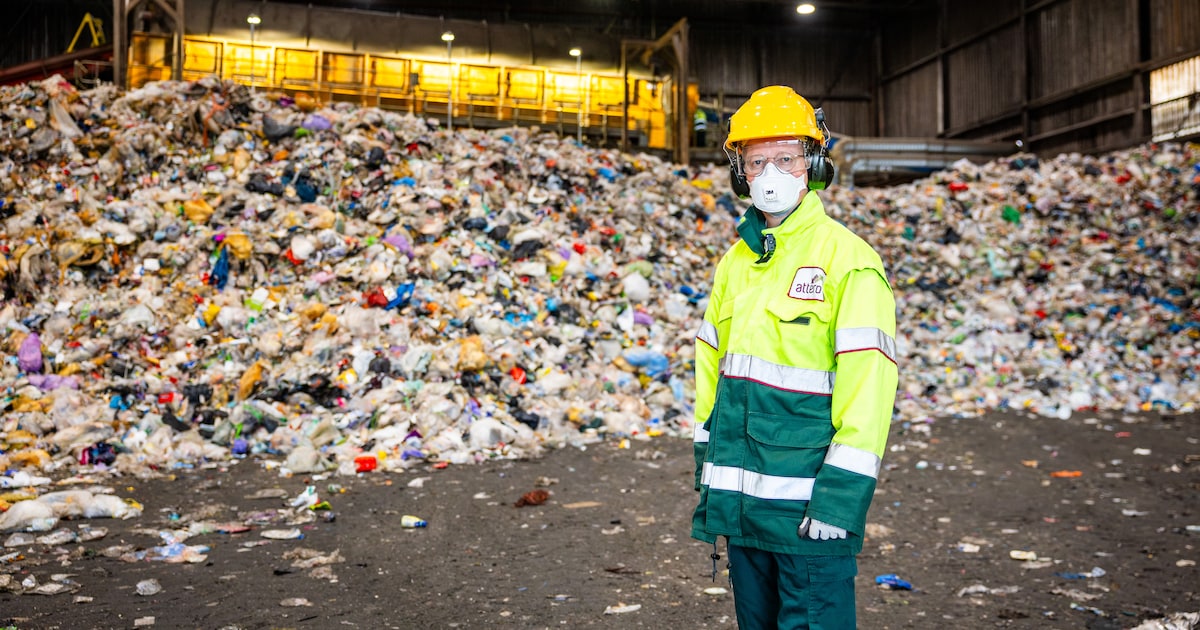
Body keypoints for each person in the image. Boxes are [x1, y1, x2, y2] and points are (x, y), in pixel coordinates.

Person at [690, 85, 898, 629]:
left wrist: (841, 500)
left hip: (809, 514)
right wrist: (709, 476)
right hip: (742, 511)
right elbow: (712, 377)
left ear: (814, 165)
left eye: (785, 157)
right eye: (756, 161)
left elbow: (869, 391)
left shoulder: (849, 261)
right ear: (740, 173)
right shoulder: (735, 263)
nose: (770, 174)